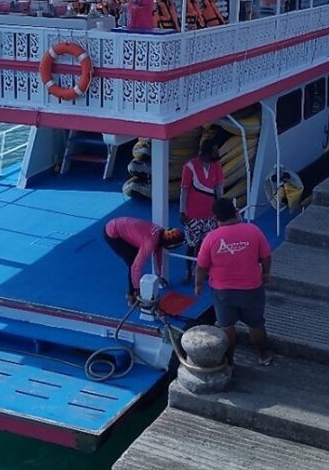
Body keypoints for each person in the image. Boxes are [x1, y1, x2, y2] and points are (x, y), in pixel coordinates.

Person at [195, 198, 273, 367]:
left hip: (222, 291)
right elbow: (266, 256)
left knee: (227, 326)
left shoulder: (211, 238)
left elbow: (201, 266)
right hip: (252, 288)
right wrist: (266, 274)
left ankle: (229, 361)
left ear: (216, 218)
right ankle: (264, 355)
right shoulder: (253, 231)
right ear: (236, 212)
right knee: (256, 324)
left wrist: (198, 284)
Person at [104, 217, 184, 301]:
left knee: (136, 255)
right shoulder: (150, 243)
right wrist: (137, 289)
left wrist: (159, 276)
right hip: (113, 232)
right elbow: (136, 267)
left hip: (124, 226)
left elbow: (158, 257)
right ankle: (131, 294)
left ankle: (133, 290)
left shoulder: (161, 234)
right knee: (132, 262)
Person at [179, 139, 225, 282]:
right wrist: (182, 211)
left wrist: (220, 208)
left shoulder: (216, 166)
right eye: (214, 150)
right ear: (207, 152)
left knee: (206, 245)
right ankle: (188, 271)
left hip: (210, 214)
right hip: (193, 215)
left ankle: (202, 271)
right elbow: (184, 190)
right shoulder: (190, 167)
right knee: (191, 244)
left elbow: (219, 188)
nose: (217, 153)